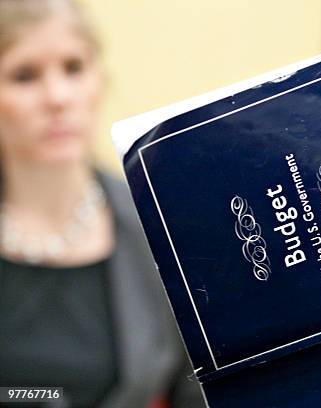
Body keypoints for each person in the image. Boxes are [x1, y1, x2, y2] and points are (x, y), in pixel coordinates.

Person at [0, 0, 204, 406]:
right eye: (24, 76)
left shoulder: (163, 230)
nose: (57, 97)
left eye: (74, 68)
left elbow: (195, 392)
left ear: (99, 79)